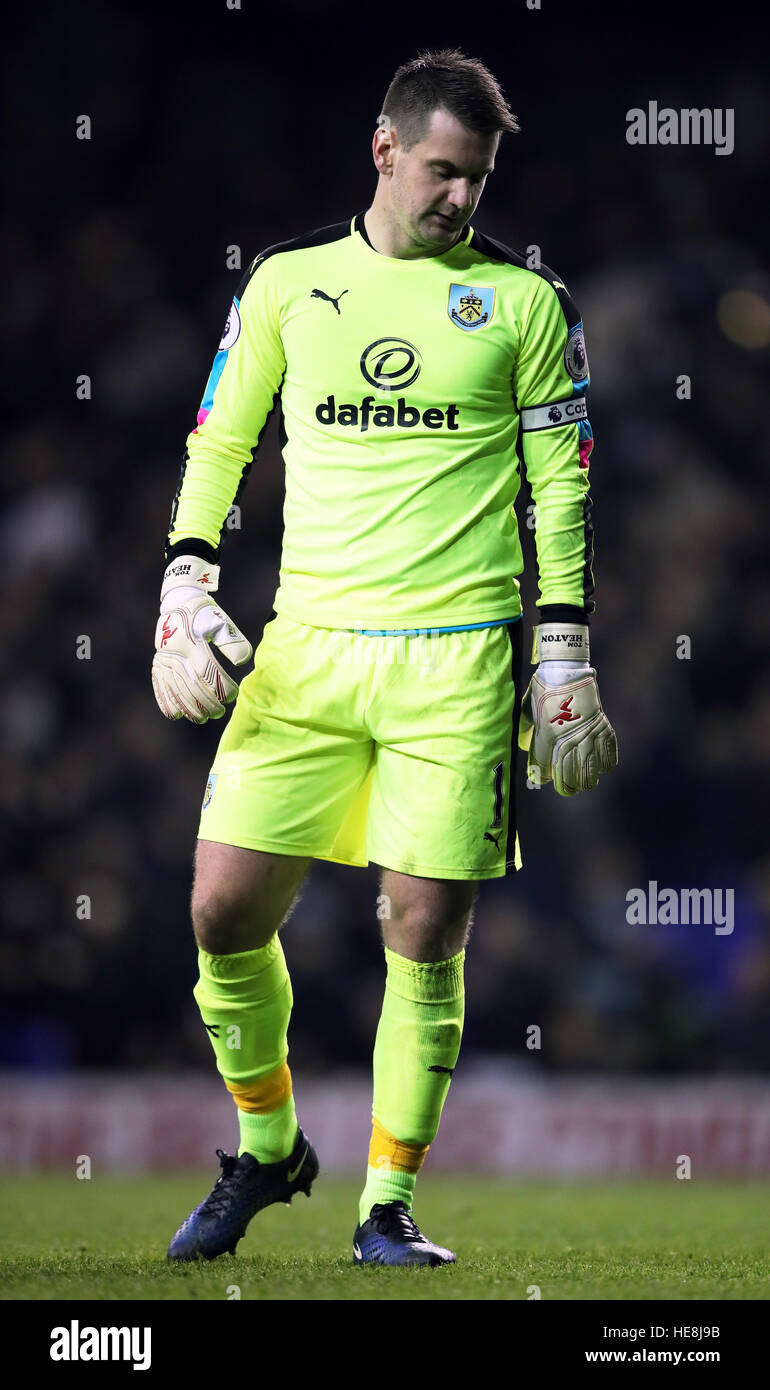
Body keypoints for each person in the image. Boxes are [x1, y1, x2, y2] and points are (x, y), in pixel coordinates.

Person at [152, 46, 617, 1267]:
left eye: (478, 179)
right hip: (304, 654)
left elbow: (557, 493)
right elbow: (219, 435)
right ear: (384, 150)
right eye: (443, 173)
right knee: (218, 908)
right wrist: (185, 577)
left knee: (420, 928)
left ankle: (386, 1205)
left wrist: (560, 652)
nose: (461, 198)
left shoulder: (524, 302)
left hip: (458, 661)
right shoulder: (288, 284)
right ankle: (267, 1149)